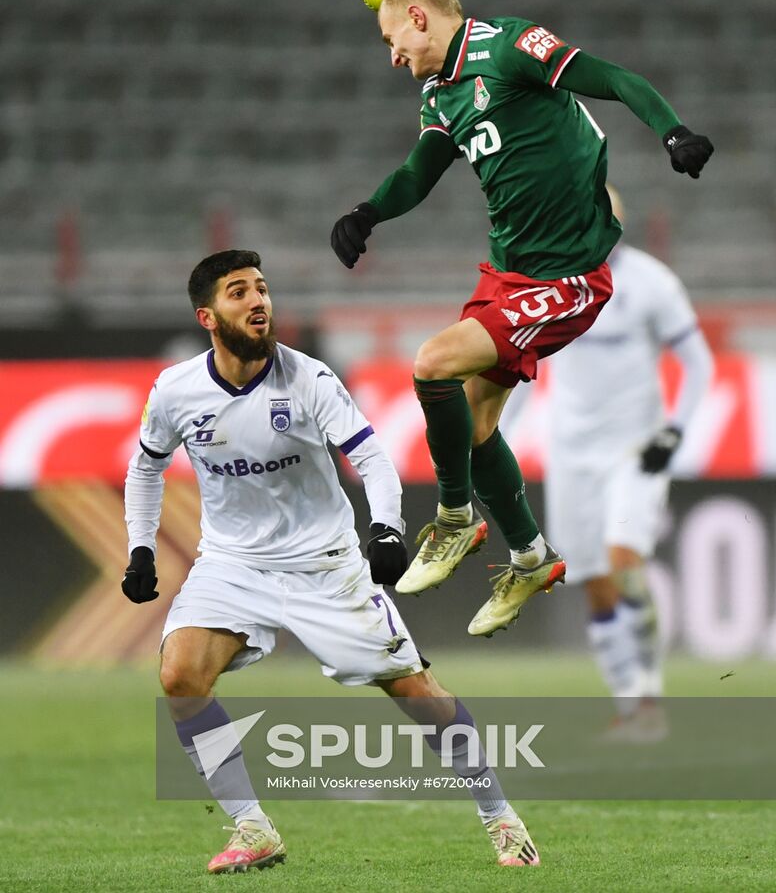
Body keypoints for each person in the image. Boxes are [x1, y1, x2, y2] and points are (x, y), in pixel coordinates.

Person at [122, 249, 539, 873]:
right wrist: (140, 548)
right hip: (233, 565)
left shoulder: (309, 378)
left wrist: (386, 532)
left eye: (262, 288)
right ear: (208, 316)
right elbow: (146, 465)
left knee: (416, 693)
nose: (259, 300)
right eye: (240, 292)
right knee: (180, 676)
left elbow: (371, 458)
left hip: (325, 564)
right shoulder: (176, 389)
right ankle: (252, 829)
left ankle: (503, 821)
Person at [330, 0, 713, 638]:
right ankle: (531, 557)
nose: (391, 56)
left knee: (432, 364)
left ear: (419, 18)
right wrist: (369, 212)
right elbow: (421, 171)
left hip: (567, 277)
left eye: (392, 38)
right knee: (475, 425)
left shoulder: (508, 47)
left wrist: (672, 130)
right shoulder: (439, 94)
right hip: (508, 274)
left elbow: (613, 77)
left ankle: (455, 519)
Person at [545, 188, 713, 737]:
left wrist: (674, 430)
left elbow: (698, 363)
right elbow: (516, 362)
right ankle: (629, 704)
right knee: (593, 580)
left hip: (633, 450)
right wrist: (489, 426)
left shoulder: (649, 282)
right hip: (570, 452)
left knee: (623, 559)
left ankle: (648, 702)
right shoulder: (543, 284)